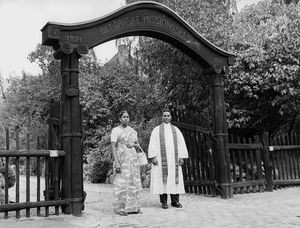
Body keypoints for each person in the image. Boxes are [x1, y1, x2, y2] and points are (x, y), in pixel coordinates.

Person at [148, 109, 188, 209]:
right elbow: (152, 143)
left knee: (174, 180)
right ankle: (164, 202)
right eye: (164, 115)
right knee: (163, 180)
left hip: (174, 160)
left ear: (171, 117)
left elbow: (181, 143)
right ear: (162, 117)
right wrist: (153, 157)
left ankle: (175, 201)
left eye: (168, 115)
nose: (166, 117)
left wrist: (181, 157)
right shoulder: (156, 130)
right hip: (161, 160)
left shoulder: (176, 130)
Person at [111, 110, 143, 216]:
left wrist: (133, 145)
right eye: (124, 117)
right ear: (120, 118)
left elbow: (137, 145)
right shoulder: (116, 131)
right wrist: (116, 162)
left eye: (128, 117)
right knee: (122, 182)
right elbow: (113, 146)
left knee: (133, 181)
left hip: (132, 160)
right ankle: (121, 208)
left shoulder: (133, 131)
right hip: (122, 158)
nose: (126, 119)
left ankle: (133, 207)